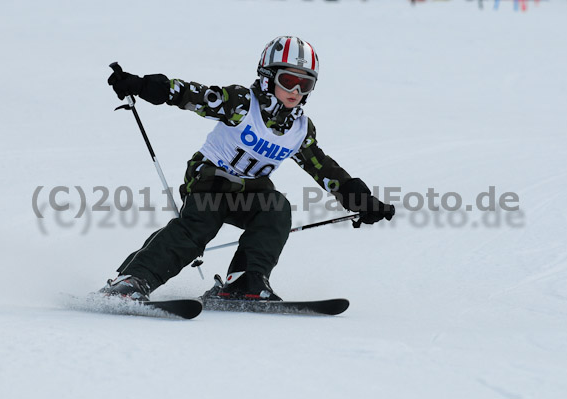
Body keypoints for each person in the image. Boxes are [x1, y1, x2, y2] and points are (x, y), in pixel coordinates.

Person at [99, 36, 395, 302]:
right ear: (267, 78)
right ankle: (133, 280)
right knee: (199, 227)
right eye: (288, 80)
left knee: (275, 209)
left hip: (251, 191)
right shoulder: (242, 103)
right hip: (209, 182)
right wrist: (144, 85)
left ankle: (244, 281)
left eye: (304, 84)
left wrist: (360, 199)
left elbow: (324, 168)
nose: (295, 90)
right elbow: (194, 95)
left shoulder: (299, 130)